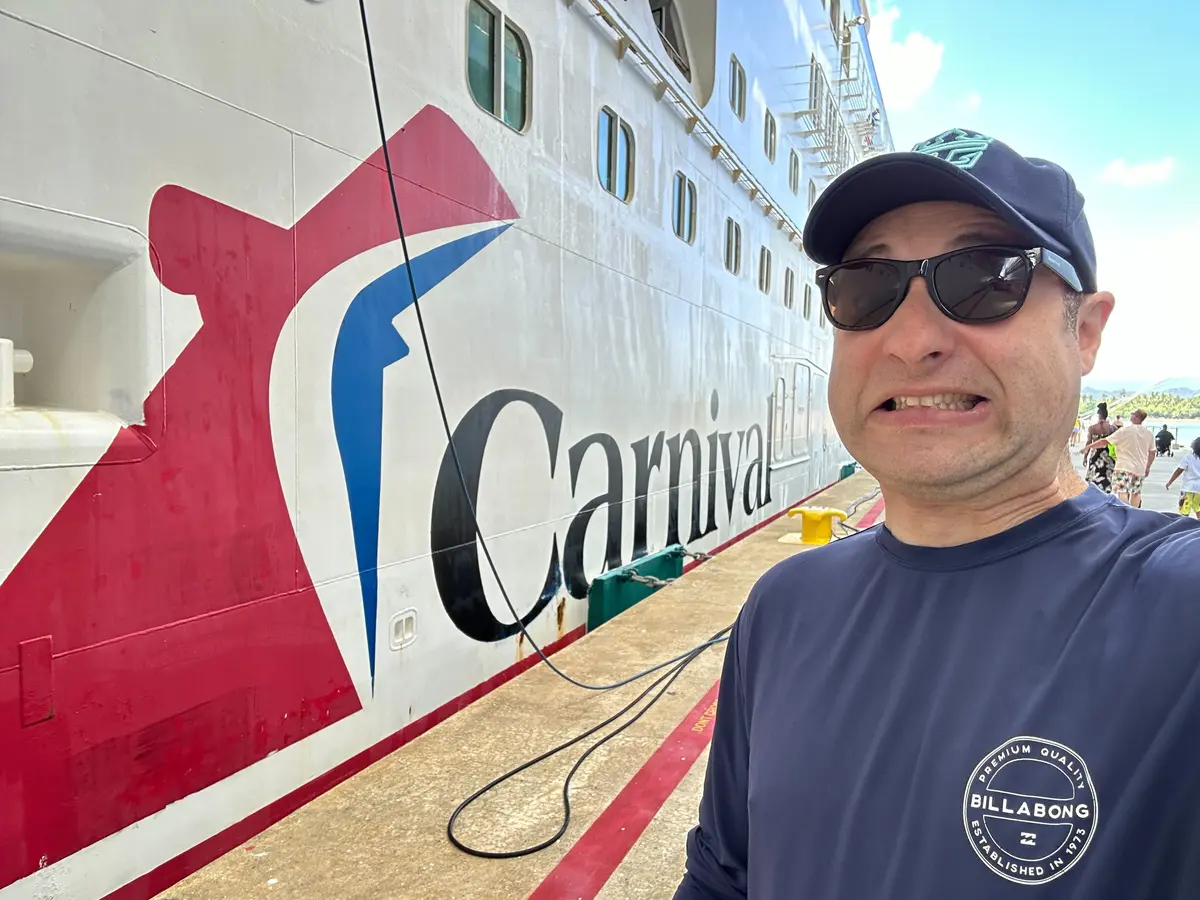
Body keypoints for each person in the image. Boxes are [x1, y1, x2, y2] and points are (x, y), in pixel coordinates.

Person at [674, 128, 1199, 899]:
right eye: (866, 286)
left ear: (1085, 331)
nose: (912, 340)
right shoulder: (782, 607)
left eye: (986, 277)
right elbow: (724, 878)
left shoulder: (1176, 614)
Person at [1081, 408, 1154, 506]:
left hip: (1123, 467)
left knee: (1122, 491)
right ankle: (1135, 514)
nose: (1131, 415)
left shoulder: (1125, 430)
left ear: (1136, 417)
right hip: (1139, 469)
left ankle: (1127, 511)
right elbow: (1152, 452)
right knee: (1136, 493)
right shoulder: (1149, 433)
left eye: (1132, 414)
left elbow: (1104, 442)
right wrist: (1148, 467)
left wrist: (1088, 447)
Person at [1082, 401, 1116, 492]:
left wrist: (1085, 457)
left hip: (1095, 455)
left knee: (1093, 477)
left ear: (1098, 415)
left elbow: (1089, 443)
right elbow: (1116, 444)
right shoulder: (1112, 428)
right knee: (1107, 478)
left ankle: (1093, 495)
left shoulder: (1092, 428)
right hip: (1108, 455)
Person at [1165, 435, 1200, 518]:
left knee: (1184, 510)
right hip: (1199, 489)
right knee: (1198, 508)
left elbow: (1179, 470)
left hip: (1187, 488)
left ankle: (1184, 525)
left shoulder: (1188, 456)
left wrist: (1170, 482)